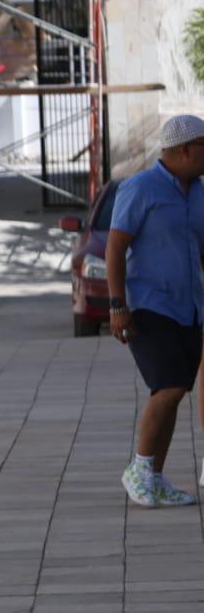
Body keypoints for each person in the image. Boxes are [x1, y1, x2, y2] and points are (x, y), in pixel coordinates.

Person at [106, 113, 204, 508]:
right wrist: (117, 306)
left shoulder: (198, 192)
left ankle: (155, 476)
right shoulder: (140, 188)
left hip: (190, 307)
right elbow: (114, 247)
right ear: (184, 150)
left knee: (177, 389)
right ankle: (140, 470)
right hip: (149, 305)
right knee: (169, 387)